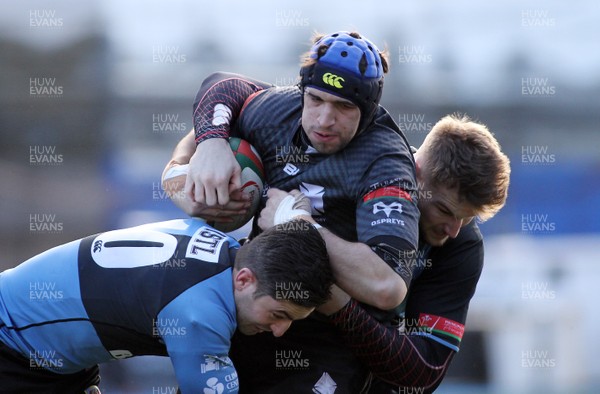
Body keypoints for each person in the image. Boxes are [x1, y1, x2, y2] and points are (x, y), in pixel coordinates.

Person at [163, 31, 421, 392]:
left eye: (344, 107)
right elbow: (222, 85)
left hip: (325, 340)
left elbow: (386, 286)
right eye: (316, 99)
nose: (324, 119)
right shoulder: (279, 111)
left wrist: (298, 225)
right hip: (250, 316)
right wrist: (205, 146)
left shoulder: (385, 161)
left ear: (368, 111)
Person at [286, 113, 511, 393]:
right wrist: (213, 139)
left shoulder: (462, 245)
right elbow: (232, 88)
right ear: (413, 171)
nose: (453, 230)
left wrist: (336, 303)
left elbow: (424, 372)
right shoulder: (361, 171)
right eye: (444, 210)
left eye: (466, 218)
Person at [0, 218, 333, 393]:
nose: (279, 332)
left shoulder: (227, 246)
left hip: (56, 360)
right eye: (278, 315)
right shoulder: (201, 316)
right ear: (244, 280)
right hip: (12, 348)